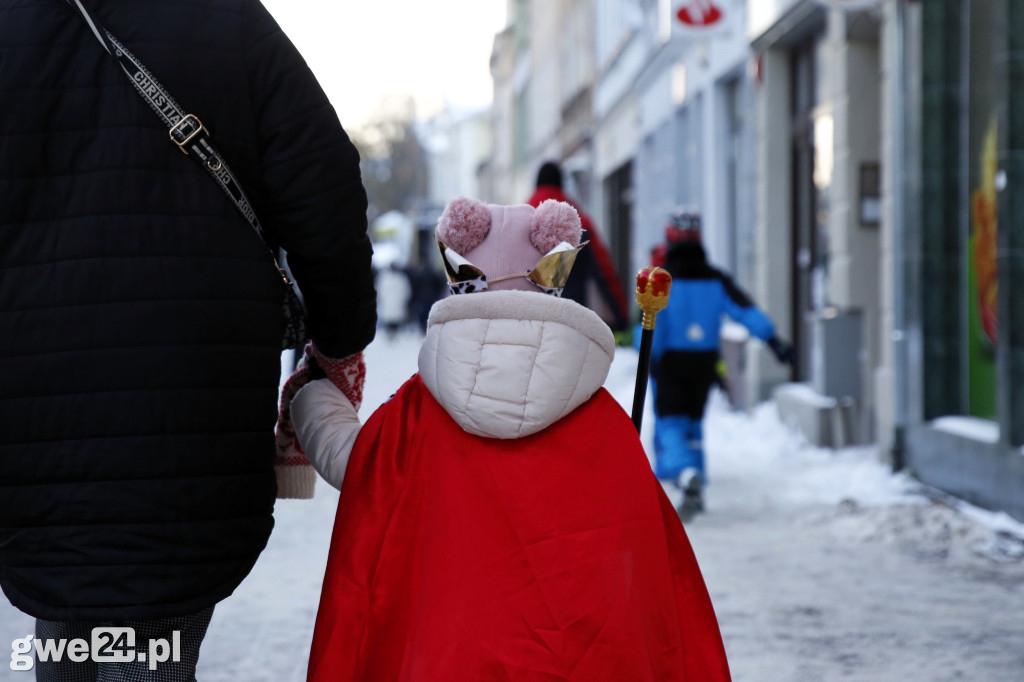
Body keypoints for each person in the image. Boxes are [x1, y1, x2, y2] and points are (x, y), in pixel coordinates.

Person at [0, 1, 375, 680]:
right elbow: (323, 188)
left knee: (71, 603)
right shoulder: (223, 16)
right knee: (148, 633)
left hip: (30, 397)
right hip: (190, 393)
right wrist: (339, 337)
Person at [289, 197, 732, 681]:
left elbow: (358, 466)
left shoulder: (417, 410)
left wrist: (314, 397)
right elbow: (646, 555)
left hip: (439, 657)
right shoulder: (599, 416)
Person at [650, 208, 794, 519]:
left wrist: (650, 357)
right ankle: (697, 488)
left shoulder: (660, 278)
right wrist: (774, 342)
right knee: (694, 424)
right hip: (704, 362)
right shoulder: (717, 279)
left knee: (671, 423)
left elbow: (649, 326)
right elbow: (745, 311)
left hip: (671, 361)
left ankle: (684, 474)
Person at [527, 161, 630, 331]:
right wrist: (621, 315)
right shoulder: (580, 220)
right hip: (571, 317)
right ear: (561, 184)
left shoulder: (523, 218)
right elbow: (604, 269)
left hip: (532, 318)